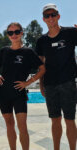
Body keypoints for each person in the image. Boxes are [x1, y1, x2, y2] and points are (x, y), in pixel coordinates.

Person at [0, 22, 45, 150]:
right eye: (10, 33)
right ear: (8, 35)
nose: (14, 35)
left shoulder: (28, 52)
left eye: (16, 32)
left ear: (21, 33)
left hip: (19, 93)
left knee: (22, 127)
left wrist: (28, 82)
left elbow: (42, 68)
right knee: (9, 124)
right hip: (4, 93)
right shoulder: (4, 51)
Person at [35, 3, 77, 150]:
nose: (50, 18)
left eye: (53, 15)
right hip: (50, 84)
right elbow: (41, 65)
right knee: (55, 120)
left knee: (70, 119)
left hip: (68, 83)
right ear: (43, 19)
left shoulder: (71, 33)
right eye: (47, 16)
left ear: (58, 16)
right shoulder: (41, 41)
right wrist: (41, 85)